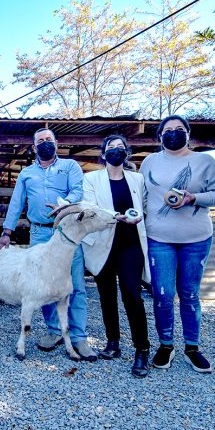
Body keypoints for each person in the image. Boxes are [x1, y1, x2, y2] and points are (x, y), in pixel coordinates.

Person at [0, 128, 98, 361]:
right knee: (43, 285)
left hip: (67, 233)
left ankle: (79, 337)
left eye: (49, 140)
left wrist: (64, 204)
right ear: (34, 147)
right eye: (40, 141)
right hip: (39, 234)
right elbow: (17, 202)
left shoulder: (70, 166)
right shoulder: (26, 173)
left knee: (75, 285)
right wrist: (6, 232)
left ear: (56, 143)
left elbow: (77, 191)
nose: (45, 143)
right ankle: (53, 331)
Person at [140, 115, 215, 373]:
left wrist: (194, 198)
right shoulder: (149, 162)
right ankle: (165, 345)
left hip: (196, 238)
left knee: (190, 294)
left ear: (188, 134)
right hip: (159, 238)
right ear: (159, 137)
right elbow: (142, 196)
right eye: (167, 130)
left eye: (179, 129)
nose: (173, 133)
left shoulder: (204, 161)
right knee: (163, 294)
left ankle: (192, 347)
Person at [81, 134, 151, 378]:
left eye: (121, 147)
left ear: (127, 153)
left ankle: (142, 349)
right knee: (106, 295)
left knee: (132, 294)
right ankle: (113, 341)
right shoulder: (90, 178)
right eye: (111, 147)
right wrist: (115, 216)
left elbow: (145, 204)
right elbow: (90, 208)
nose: (116, 150)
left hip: (130, 243)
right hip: (103, 243)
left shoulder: (137, 178)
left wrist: (140, 217)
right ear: (103, 154)